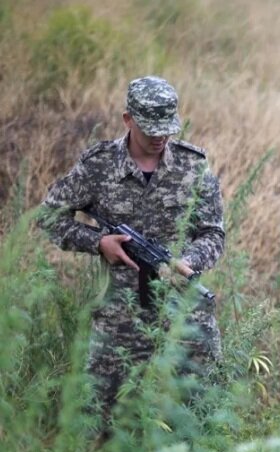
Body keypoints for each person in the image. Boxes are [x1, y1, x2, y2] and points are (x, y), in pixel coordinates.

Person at [38, 75, 225, 430]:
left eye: (166, 128)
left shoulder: (193, 166)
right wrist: (98, 243)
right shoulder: (99, 165)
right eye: (149, 128)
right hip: (120, 315)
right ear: (128, 120)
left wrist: (187, 262)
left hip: (184, 311)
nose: (159, 137)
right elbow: (48, 216)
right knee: (99, 413)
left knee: (203, 408)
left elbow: (213, 233)